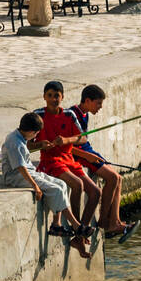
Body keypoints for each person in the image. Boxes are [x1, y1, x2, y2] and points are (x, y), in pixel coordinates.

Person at [0, 112, 90, 258]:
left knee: (61, 184)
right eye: (35, 134)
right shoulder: (13, 142)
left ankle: (57, 224)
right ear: (31, 131)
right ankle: (76, 225)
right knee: (54, 189)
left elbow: (26, 159)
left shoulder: (21, 137)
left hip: (29, 171)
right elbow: (21, 168)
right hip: (15, 176)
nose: (35, 137)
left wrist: (41, 144)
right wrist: (35, 186)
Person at [34, 80, 99, 256]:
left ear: (62, 97)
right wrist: (41, 144)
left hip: (69, 159)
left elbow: (82, 138)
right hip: (50, 162)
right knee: (77, 184)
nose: (54, 99)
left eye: (57, 96)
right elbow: (28, 144)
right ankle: (78, 229)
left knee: (95, 192)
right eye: (50, 96)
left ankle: (79, 233)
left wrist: (67, 140)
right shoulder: (38, 115)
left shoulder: (69, 115)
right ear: (44, 97)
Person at [70, 85, 139, 243]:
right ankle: (106, 223)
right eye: (98, 103)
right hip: (82, 156)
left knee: (119, 178)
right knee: (113, 178)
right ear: (87, 101)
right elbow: (67, 146)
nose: (100, 107)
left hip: (89, 152)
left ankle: (115, 220)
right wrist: (88, 156)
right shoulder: (72, 115)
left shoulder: (84, 114)